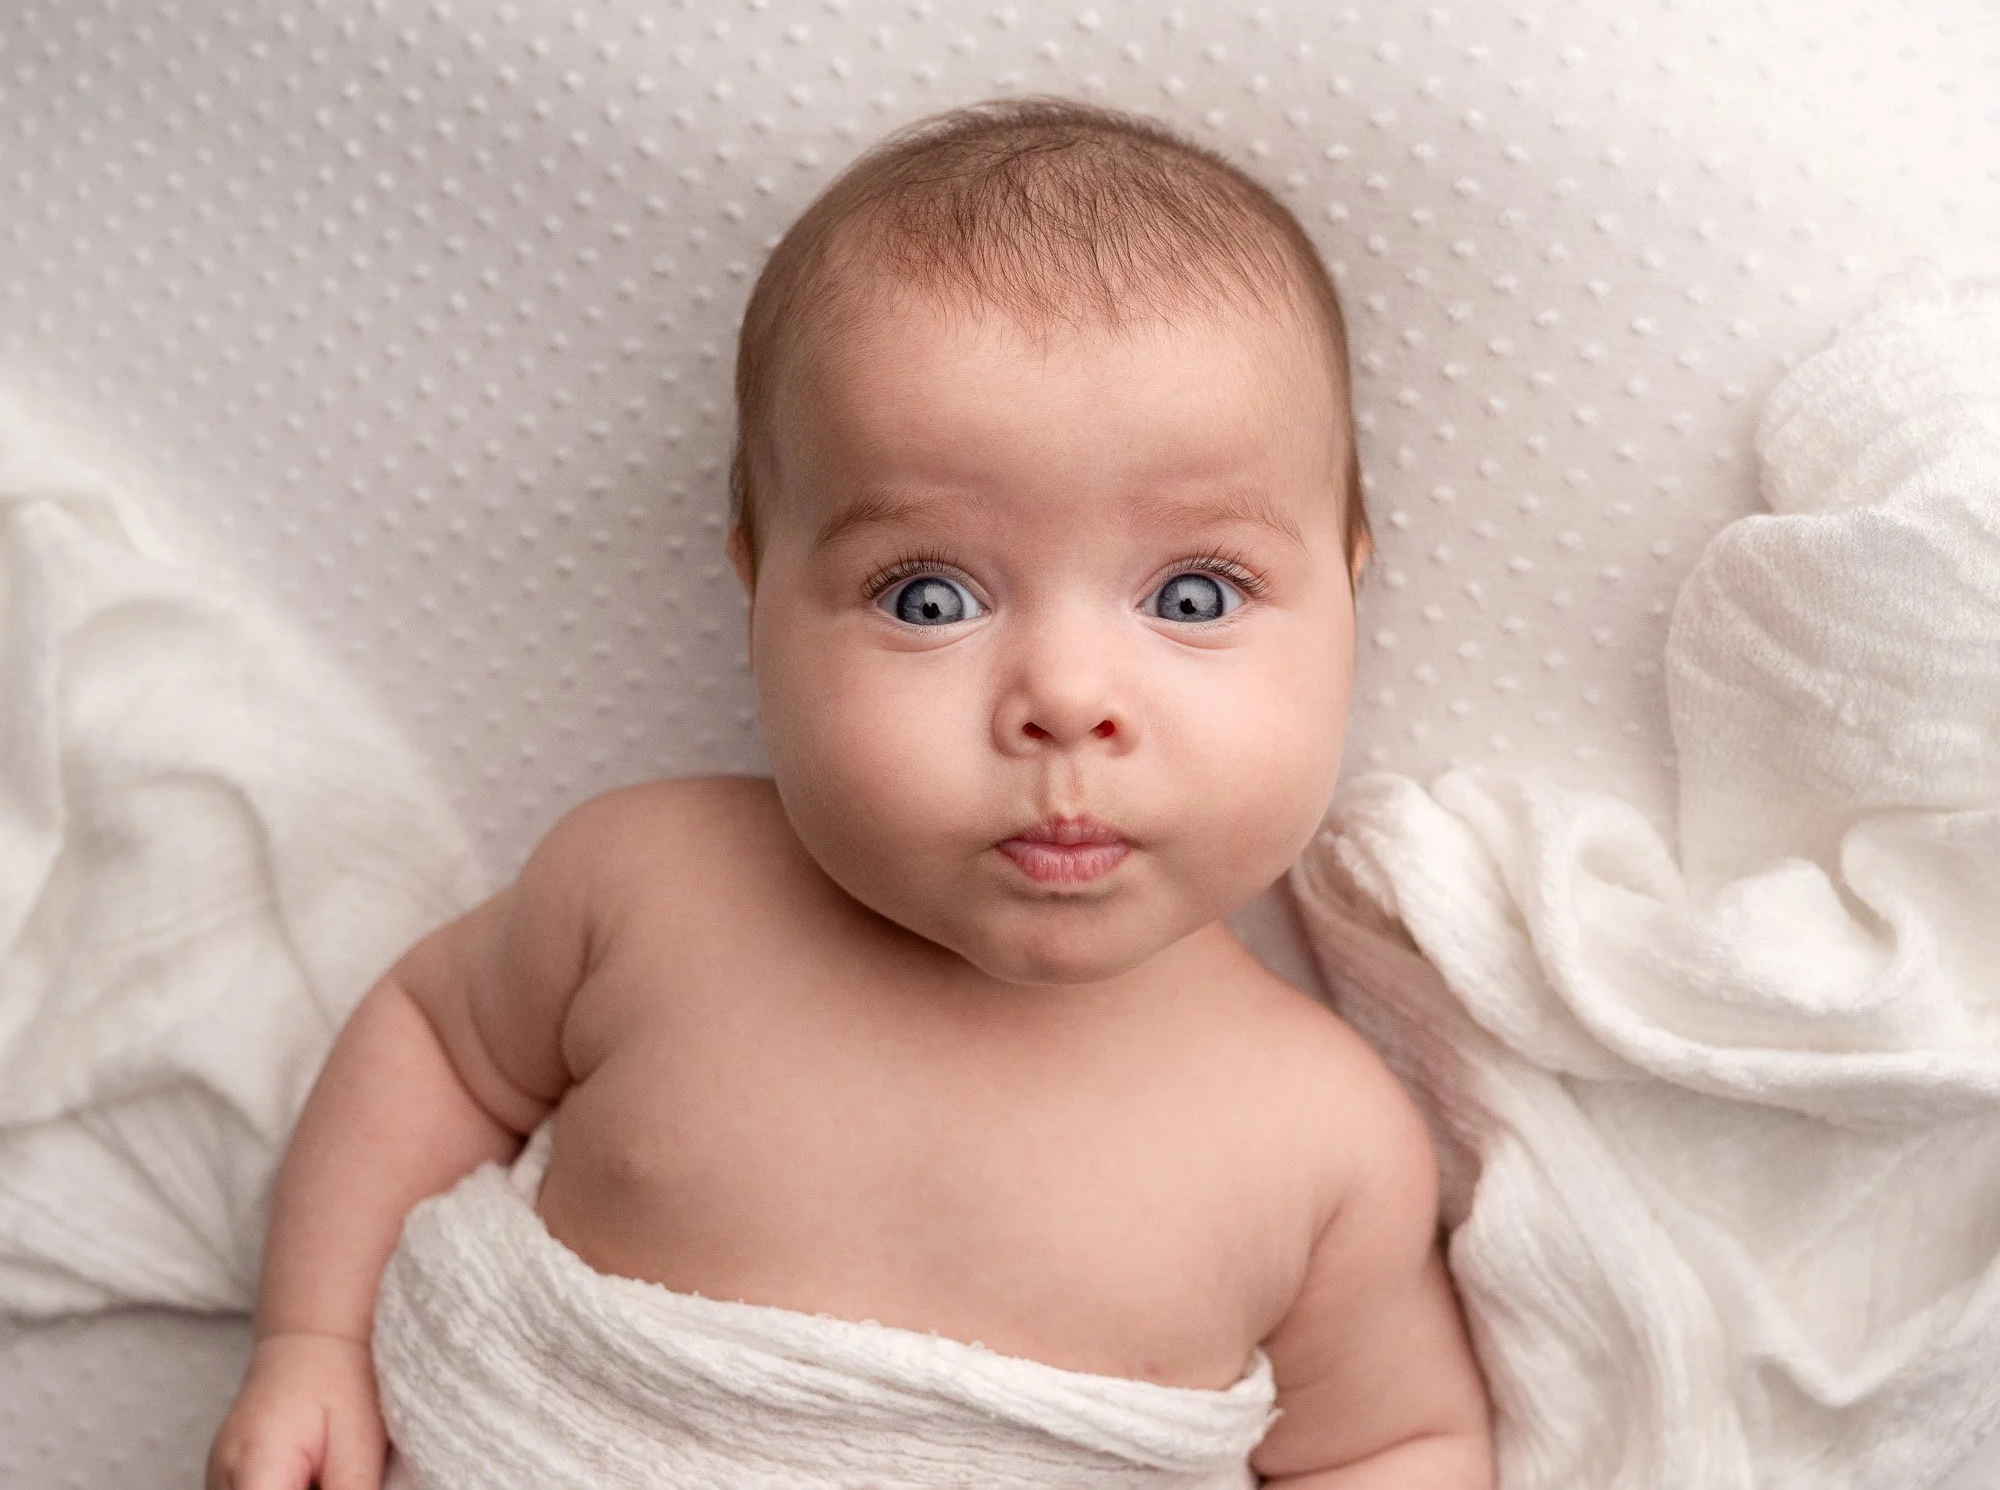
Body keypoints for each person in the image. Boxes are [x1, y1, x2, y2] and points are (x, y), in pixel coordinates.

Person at [207, 96, 1495, 1489]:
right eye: (928, 597)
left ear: (1348, 593)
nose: (1066, 697)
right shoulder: (647, 891)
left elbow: (1398, 1441)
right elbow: (431, 1044)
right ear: (760, 589)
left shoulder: (1321, 1139)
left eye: (1194, 594)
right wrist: (314, 1341)